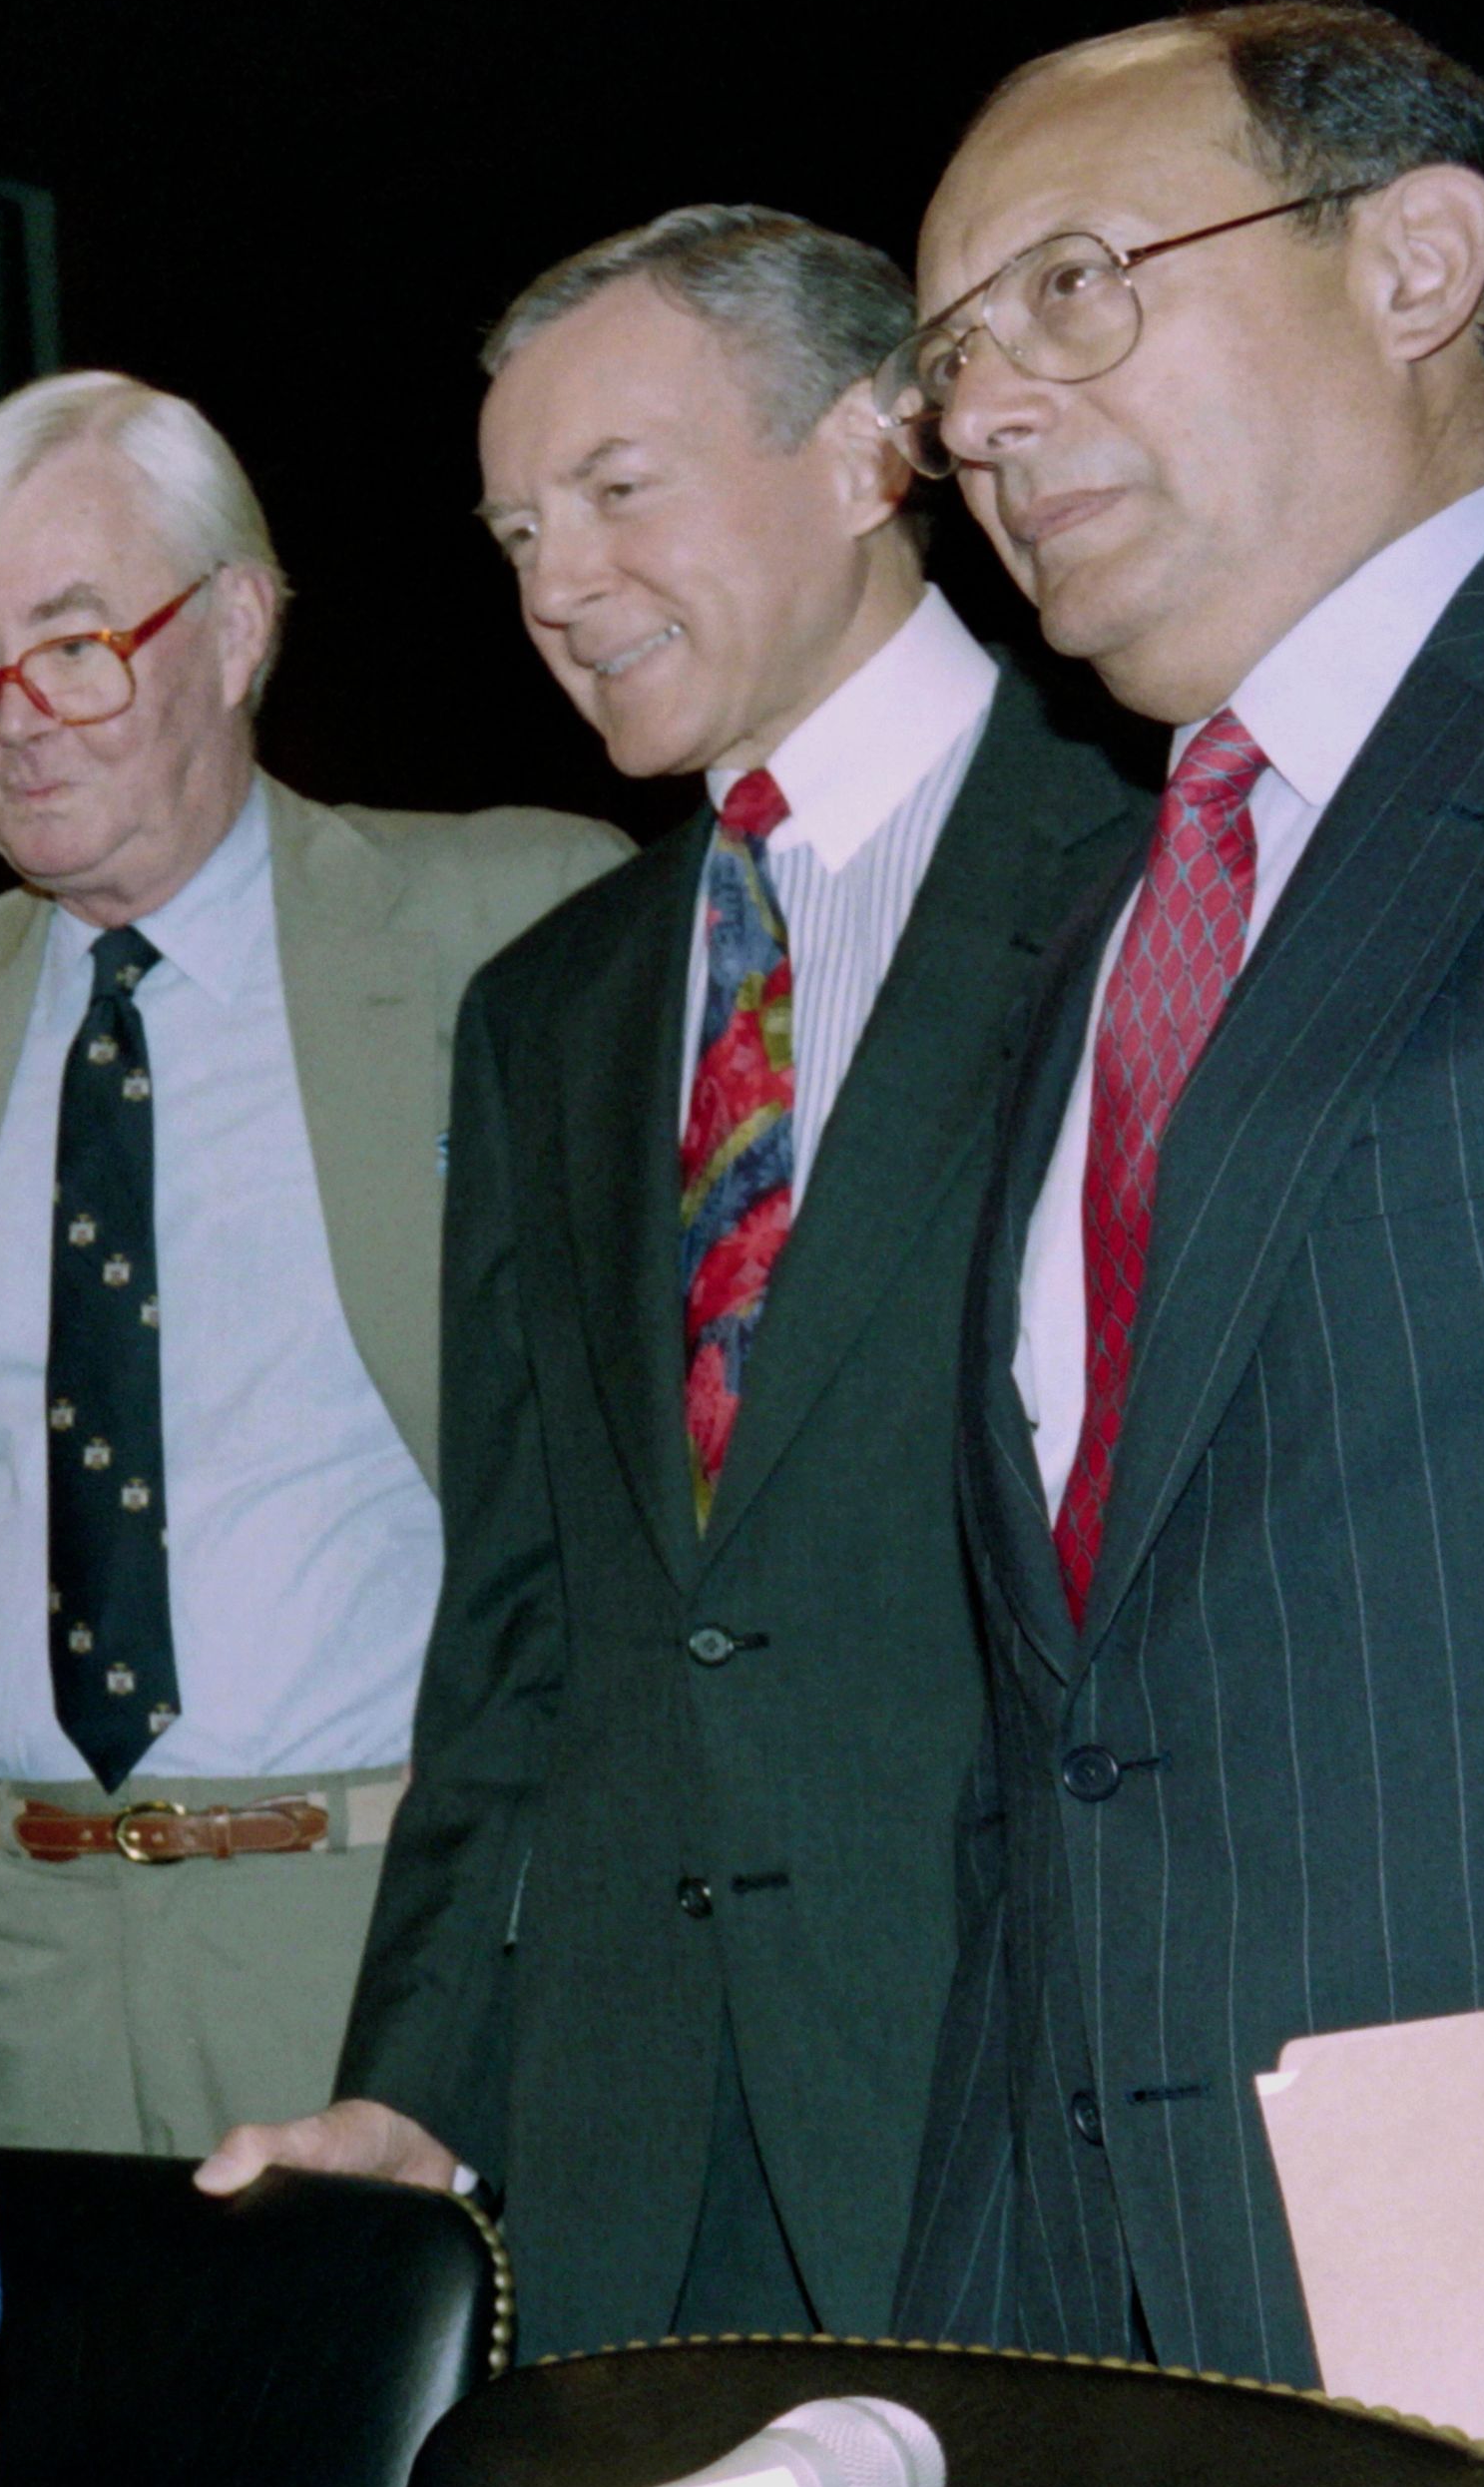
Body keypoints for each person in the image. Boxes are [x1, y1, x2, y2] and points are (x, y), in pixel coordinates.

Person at [199, 213, 1148, 2356]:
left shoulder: (1145, 855)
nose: (553, 586)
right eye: (516, 527)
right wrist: (420, 2087)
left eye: (620, 490)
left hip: (1027, 2079)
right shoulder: (559, 1007)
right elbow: (525, 1615)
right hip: (632, 2140)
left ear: (866, 451)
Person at [884, 1, 1484, 2379]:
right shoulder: (1110, 924)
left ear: (1414, 258)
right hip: (1105, 2287)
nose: (982, 415)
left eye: (1071, 286)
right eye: (950, 359)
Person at [0, 371, 625, 2158]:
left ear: (235, 629)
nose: (11, 720)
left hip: (390, 1917)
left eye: (74, 644)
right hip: (13, 1943)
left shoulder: (516, 928)